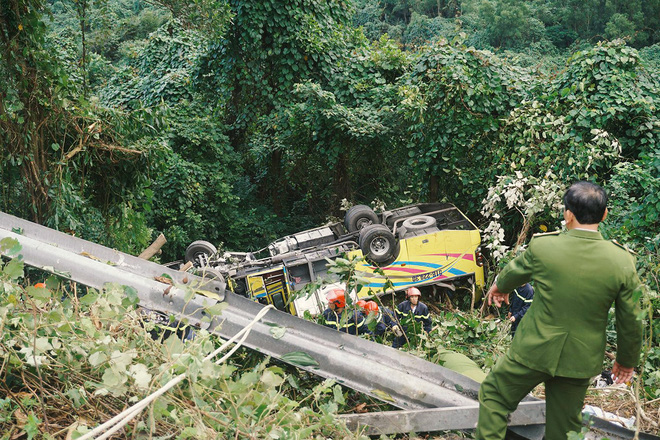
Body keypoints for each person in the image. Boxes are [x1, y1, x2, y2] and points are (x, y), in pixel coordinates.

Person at [476, 181, 643, 440]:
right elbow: (631, 319)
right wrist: (625, 361)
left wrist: (499, 287)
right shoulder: (622, 261)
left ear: (568, 214)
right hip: (579, 360)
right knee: (563, 430)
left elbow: (513, 273)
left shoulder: (545, 247)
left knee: (495, 396)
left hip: (533, 350)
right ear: (605, 214)